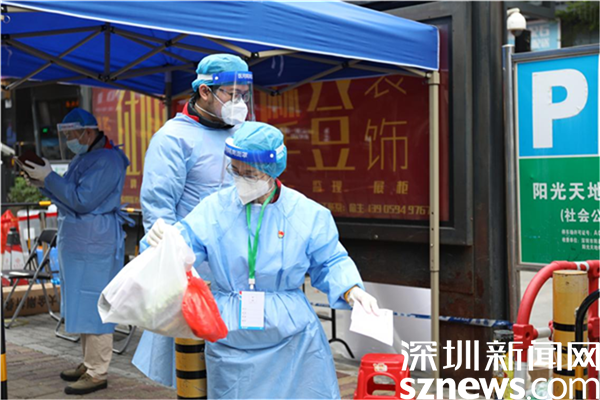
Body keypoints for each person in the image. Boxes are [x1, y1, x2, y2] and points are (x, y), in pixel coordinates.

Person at [145, 121, 380, 399]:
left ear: (272, 170)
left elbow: (330, 260)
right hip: (230, 333)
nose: (240, 179)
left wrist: (352, 289)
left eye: (250, 173)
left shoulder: (306, 213)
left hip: (293, 337)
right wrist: (163, 242)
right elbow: (184, 242)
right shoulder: (215, 209)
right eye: (235, 171)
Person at [133, 53, 254, 386]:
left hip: (241, 266)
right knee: (196, 368)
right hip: (197, 270)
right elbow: (159, 210)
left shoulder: (243, 134)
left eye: (244, 95)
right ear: (204, 91)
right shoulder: (173, 138)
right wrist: (174, 264)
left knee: (240, 366)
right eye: (232, 94)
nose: (239, 103)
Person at [21, 108, 130, 395]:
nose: (69, 140)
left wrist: (49, 178)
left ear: (88, 132)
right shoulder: (86, 157)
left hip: (95, 241)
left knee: (95, 304)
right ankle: (89, 362)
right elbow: (67, 194)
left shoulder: (108, 160)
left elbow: (82, 200)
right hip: (82, 241)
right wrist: (44, 183)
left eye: (73, 135)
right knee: (82, 303)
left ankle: (97, 371)